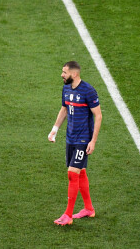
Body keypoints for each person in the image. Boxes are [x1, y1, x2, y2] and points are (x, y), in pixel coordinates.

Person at [48, 61, 102, 226]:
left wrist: (93, 141)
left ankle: (68, 215)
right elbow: (64, 109)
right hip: (70, 138)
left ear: (75, 73)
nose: (62, 75)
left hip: (83, 139)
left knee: (72, 174)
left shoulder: (88, 90)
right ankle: (88, 209)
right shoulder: (65, 88)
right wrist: (55, 129)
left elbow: (98, 116)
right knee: (81, 172)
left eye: (65, 72)